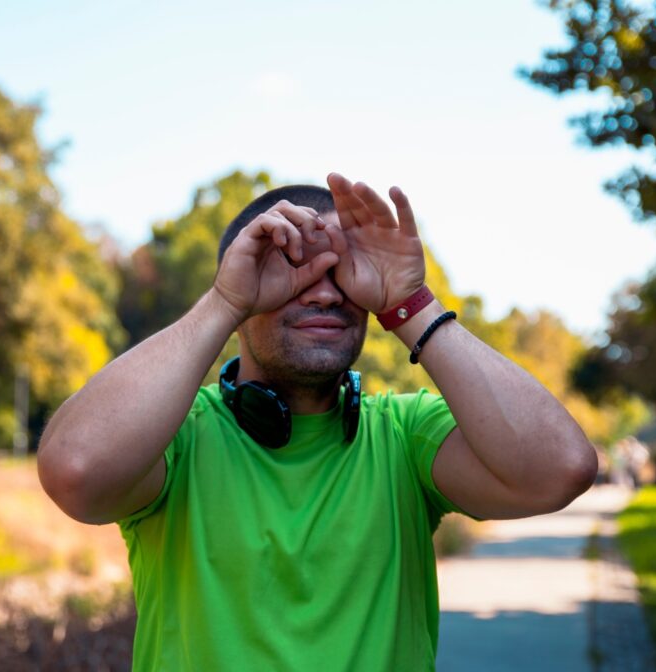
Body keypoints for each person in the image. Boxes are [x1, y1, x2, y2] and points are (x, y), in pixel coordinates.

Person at [37, 173, 598, 671]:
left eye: (347, 272)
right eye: (293, 268)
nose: (326, 293)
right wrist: (224, 301)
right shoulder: (178, 437)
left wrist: (409, 302)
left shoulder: (404, 439)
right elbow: (75, 471)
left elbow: (560, 470)